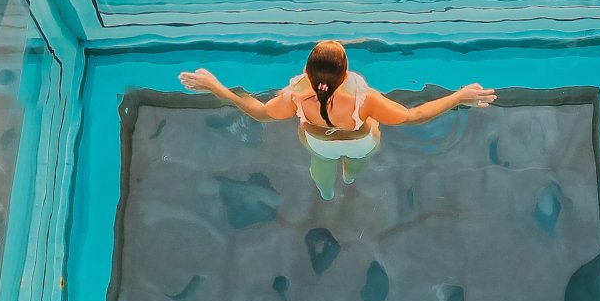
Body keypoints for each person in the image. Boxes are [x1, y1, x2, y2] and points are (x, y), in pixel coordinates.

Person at [180, 41, 497, 200]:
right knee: (357, 164)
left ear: (307, 72)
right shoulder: (365, 99)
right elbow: (413, 116)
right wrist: (458, 96)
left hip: (320, 143)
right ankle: (350, 179)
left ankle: (326, 194)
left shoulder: (296, 95)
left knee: (320, 163)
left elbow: (259, 111)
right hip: (361, 143)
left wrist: (217, 88)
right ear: (345, 74)